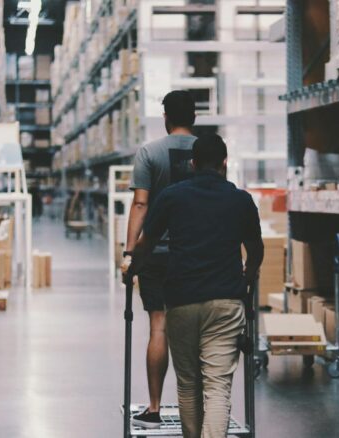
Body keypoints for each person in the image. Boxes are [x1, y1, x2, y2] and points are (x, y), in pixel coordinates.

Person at [129, 134, 264, 438]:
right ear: (224, 163)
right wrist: (247, 276)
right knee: (218, 387)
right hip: (226, 304)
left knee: (188, 385)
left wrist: (131, 270)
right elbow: (256, 251)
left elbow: (146, 244)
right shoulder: (241, 200)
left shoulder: (172, 197)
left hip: (182, 301)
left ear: (192, 163)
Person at [121, 90, 198, 429]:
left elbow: (140, 204)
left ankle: (154, 408)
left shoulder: (150, 152)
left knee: (159, 326)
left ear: (166, 116)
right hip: (195, 253)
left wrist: (129, 253)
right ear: (194, 117)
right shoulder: (207, 151)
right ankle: (193, 407)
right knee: (195, 329)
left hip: (156, 254)